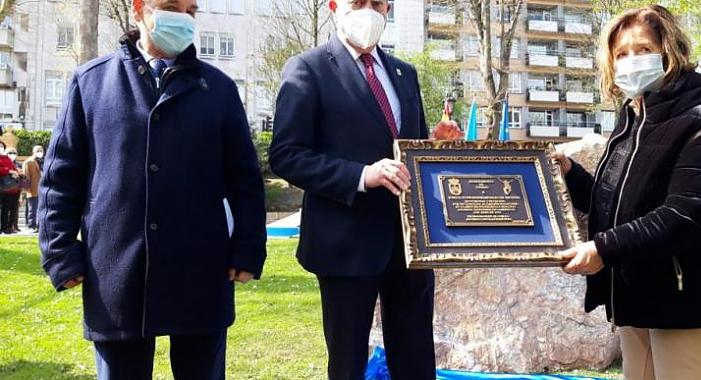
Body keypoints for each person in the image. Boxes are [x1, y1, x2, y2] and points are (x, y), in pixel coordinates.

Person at [37, 0, 267, 379]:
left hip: (201, 268)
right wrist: (60, 253)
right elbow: (61, 177)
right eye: (171, 6)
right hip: (116, 269)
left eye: (191, 10)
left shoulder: (219, 89)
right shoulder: (91, 82)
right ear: (139, 9)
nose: (183, 18)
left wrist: (247, 249)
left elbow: (244, 180)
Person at [553, 5, 701, 380]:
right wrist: (571, 174)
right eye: (621, 53)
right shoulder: (631, 123)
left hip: (686, 300)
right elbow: (616, 204)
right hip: (634, 295)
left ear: (670, 51)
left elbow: (686, 215)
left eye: (642, 49)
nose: (630, 61)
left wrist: (603, 249)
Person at [269, 0, 436, 378]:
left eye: (378, 3)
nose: (369, 10)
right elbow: (287, 154)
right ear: (333, 6)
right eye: (358, 2)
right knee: (347, 365)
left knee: (416, 360)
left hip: (410, 246)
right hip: (345, 245)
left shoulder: (404, 74)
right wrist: (361, 175)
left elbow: (413, 149)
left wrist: (438, 149)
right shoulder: (307, 69)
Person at [0, 141, 20, 234]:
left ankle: (5, 228)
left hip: (7, 188)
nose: (0, 148)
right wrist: (9, 171)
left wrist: (16, 172)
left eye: (1, 146)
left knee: (5, 209)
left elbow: (13, 168)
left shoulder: (6, 158)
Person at [23, 145, 44, 231]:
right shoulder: (28, 162)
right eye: (37, 150)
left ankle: (39, 226)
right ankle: (31, 225)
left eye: (41, 150)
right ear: (33, 152)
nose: (40, 152)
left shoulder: (44, 161)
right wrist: (26, 190)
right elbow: (25, 177)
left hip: (43, 189)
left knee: (41, 209)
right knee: (33, 209)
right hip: (33, 188)